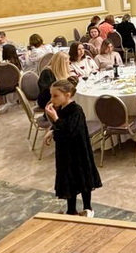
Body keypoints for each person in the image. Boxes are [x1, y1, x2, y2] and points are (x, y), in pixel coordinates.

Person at [43, 79, 102, 217]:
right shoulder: (61, 109)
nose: (52, 99)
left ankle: (88, 208)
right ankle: (71, 210)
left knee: (82, 177)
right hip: (65, 153)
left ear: (67, 95)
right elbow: (61, 126)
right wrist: (52, 130)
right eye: (51, 95)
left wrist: (55, 119)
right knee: (69, 179)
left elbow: (70, 131)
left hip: (78, 152)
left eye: (55, 96)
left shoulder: (76, 111)